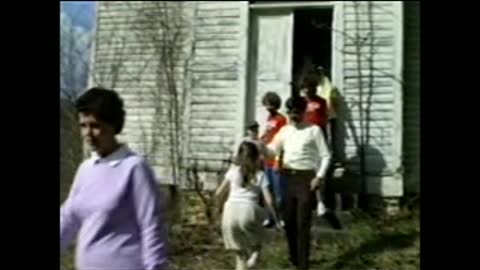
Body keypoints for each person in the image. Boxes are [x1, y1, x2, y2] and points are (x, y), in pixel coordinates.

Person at [60, 87, 168, 270]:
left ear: (113, 125)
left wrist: (155, 267)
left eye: (95, 126)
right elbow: (68, 218)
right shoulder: (86, 169)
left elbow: (151, 227)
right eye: (83, 125)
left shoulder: (134, 168)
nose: (88, 133)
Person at [260, 96, 331, 270]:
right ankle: (294, 257)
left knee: (303, 222)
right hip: (287, 178)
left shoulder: (313, 130)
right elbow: (271, 152)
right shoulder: (284, 130)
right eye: (290, 112)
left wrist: (319, 176)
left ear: (304, 111)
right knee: (289, 221)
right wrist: (259, 145)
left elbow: (326, 155)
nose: (294, 116)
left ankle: (303, 265)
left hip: (306, 178)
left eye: (297, 112)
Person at [215, 141, 281, 270]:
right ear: (257, 157)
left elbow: (218, 193)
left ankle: (246, 263)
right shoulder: (260, 175)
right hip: (249, 210)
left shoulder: (233, 172)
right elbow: (269, 200)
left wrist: (218, 209)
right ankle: (255, 256)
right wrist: (276, 218)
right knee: (259, 239)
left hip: (230, 212)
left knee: (239, 255)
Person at [259, 92, 288, 226]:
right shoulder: (269, 119)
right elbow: (266, 136)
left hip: (276, 160)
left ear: (275, 104)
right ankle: (270, 217)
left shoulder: (281, 119)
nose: (267, 107)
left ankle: (281, 217)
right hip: (266, 159)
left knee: (279, 192)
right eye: (266, 104)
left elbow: (282, 141)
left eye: (269, 104)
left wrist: (278, 160)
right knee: (267, 190)